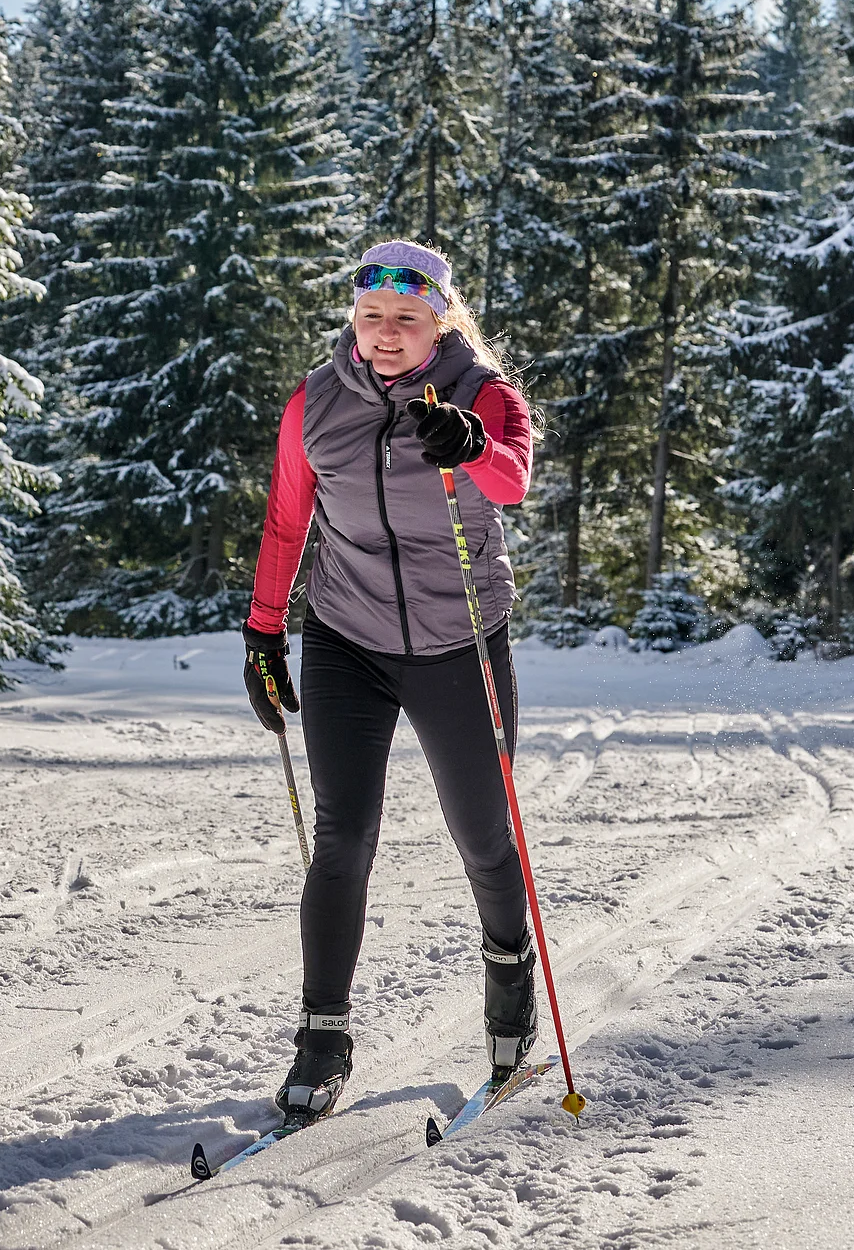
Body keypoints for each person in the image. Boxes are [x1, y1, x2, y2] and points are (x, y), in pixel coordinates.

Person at [241, 239, 538, 1127]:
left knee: (484, 835)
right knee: (343, 839)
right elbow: (289, 520)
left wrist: (473, 443)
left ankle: (510, 984)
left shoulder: (486, 395)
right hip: (348, 639)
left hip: (460, 643)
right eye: (371, 317)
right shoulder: (315, 402)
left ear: (439, 319)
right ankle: (322, 1038)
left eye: (406, 318)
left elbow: (513, 483)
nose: (386, 333)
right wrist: (263, 631)